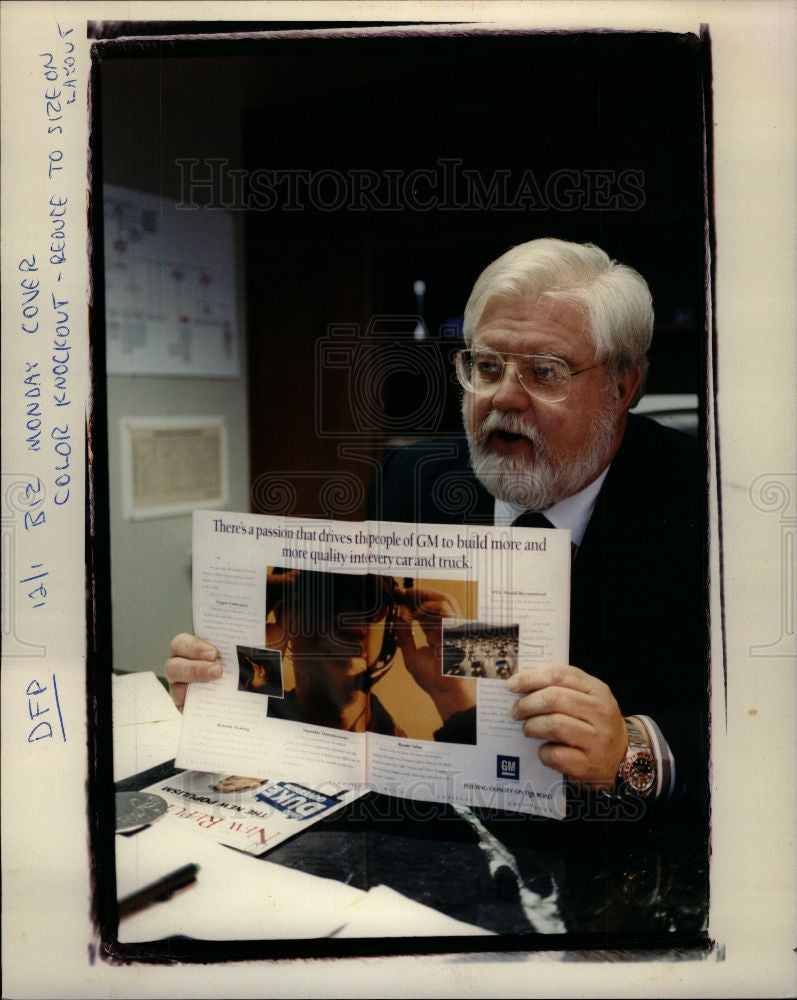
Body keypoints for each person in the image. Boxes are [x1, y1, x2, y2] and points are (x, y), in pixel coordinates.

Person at [167, 237, 706, 809]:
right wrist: (231, 690)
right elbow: (365, 653)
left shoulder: (710, 503)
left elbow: (766, 712)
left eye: (544, 372)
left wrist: (634, 749)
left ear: (622, 388)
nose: (504, 398)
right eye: (487, 366)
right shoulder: (412, 480)